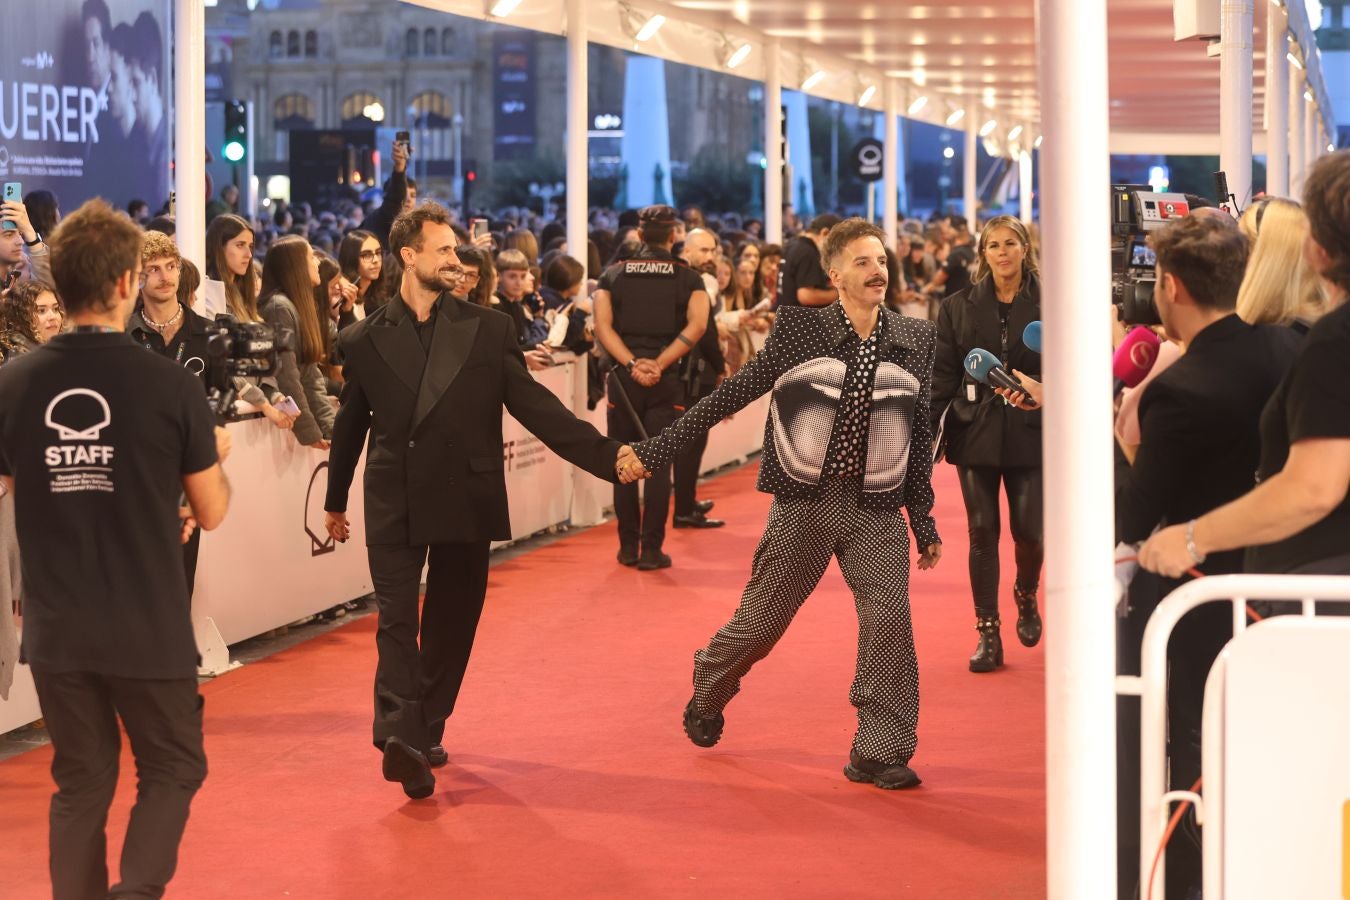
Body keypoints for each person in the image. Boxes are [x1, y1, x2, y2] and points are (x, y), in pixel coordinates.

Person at [322, 202, 640, 800]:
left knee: (450, 620)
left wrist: (607, 456)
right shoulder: (360, 339)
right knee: (395, 620)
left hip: (463, 492)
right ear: (408, 256)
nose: (456, 258)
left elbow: (537, 409)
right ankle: (400, 735)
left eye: (455, 249)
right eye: (443, 249)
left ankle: (425, 726)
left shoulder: (488, 329)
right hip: (393, 496)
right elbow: (351, 425)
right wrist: (335, 499)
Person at [623, 218, 943, 788]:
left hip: (876, 510)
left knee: (889, 625)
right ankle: (712, 681)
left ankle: (881, 747)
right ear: (835, 273)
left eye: (882, 260)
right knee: (762, 623)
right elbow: (732, 394)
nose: (879, 270)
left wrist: (923, 518)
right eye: (864, 262)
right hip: (804, 503)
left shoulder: (915, 339)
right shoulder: (799, 330)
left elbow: (920, 439)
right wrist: (658, 448)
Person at [0, 199, 231, 899]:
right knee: (172, 766)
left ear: (59, 285)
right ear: (129, 281)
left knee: (81, 779)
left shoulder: (12, 383)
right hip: (146, 617)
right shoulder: (169, 382)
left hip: (58, 622)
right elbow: (212, 510)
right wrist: (210, 457)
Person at [1140, 150, 1350, 578]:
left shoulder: (1334, 341)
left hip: (1317, 592)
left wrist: (1192, 538)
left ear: (1319, 249)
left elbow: (1313, 489)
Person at [930, 214, 1043, 673]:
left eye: (1010, 243)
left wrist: (1041, 386)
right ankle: (988, 632)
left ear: (1024, 248)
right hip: (973, 429)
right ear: (982, 254)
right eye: (993, 245)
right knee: (982, 532)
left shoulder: (1052, 302)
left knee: (1029, 532)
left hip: (1032, 430)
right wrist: (929, 430)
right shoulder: (956, 305)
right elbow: (943, 374)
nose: (1002, 252)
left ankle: (1026, 593)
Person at [592, 205, 711, 570]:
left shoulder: (612, 276)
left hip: (624, 381)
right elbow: (698, 326)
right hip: (667, 380)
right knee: (659, 464)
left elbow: (602, 327)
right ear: (673, 237)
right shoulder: (689, 279)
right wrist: (659, 363)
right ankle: (651, 550)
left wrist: (631, 363)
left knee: (623, 461)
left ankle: (627, 547)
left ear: (639, 236)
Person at [258, 236, 335, 448]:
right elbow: (287, 375)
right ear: (296, 265)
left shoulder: (293, 306)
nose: (318, 262)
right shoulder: (279, 308)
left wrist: (329, 427)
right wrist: (309, 431)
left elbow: (310, 374)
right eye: (311, 257)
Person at [673, 228, 726, 529]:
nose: (709, 257)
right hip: (691, 373)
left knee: (693, 444)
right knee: (689, 445)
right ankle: (683, 509)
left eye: (712, 251)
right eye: (703, 251)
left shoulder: (696, 280)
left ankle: (687, 501)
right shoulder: (690, 281)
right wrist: (720, 366)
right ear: (687, 250)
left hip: (696, 371)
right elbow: (704, 330)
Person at [778, 214, 841, 307]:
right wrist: (840, 294)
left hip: (785, 314)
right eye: (835, 242)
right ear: (825, 233)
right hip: (799, 318)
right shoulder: (808, 252)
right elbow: (806, 296)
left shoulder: (792, 245)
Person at [0, 282, 64, 362]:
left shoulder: (60, 349)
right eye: (41, 310)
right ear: (20, 318)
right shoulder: (18, 360)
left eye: (55, 309)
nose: (52, 317)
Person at [1, 197, 53, 294]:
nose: (20, 241)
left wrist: (29, 231)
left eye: (21, 234)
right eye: (8, 235)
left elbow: (50, 287)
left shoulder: (14, 284)